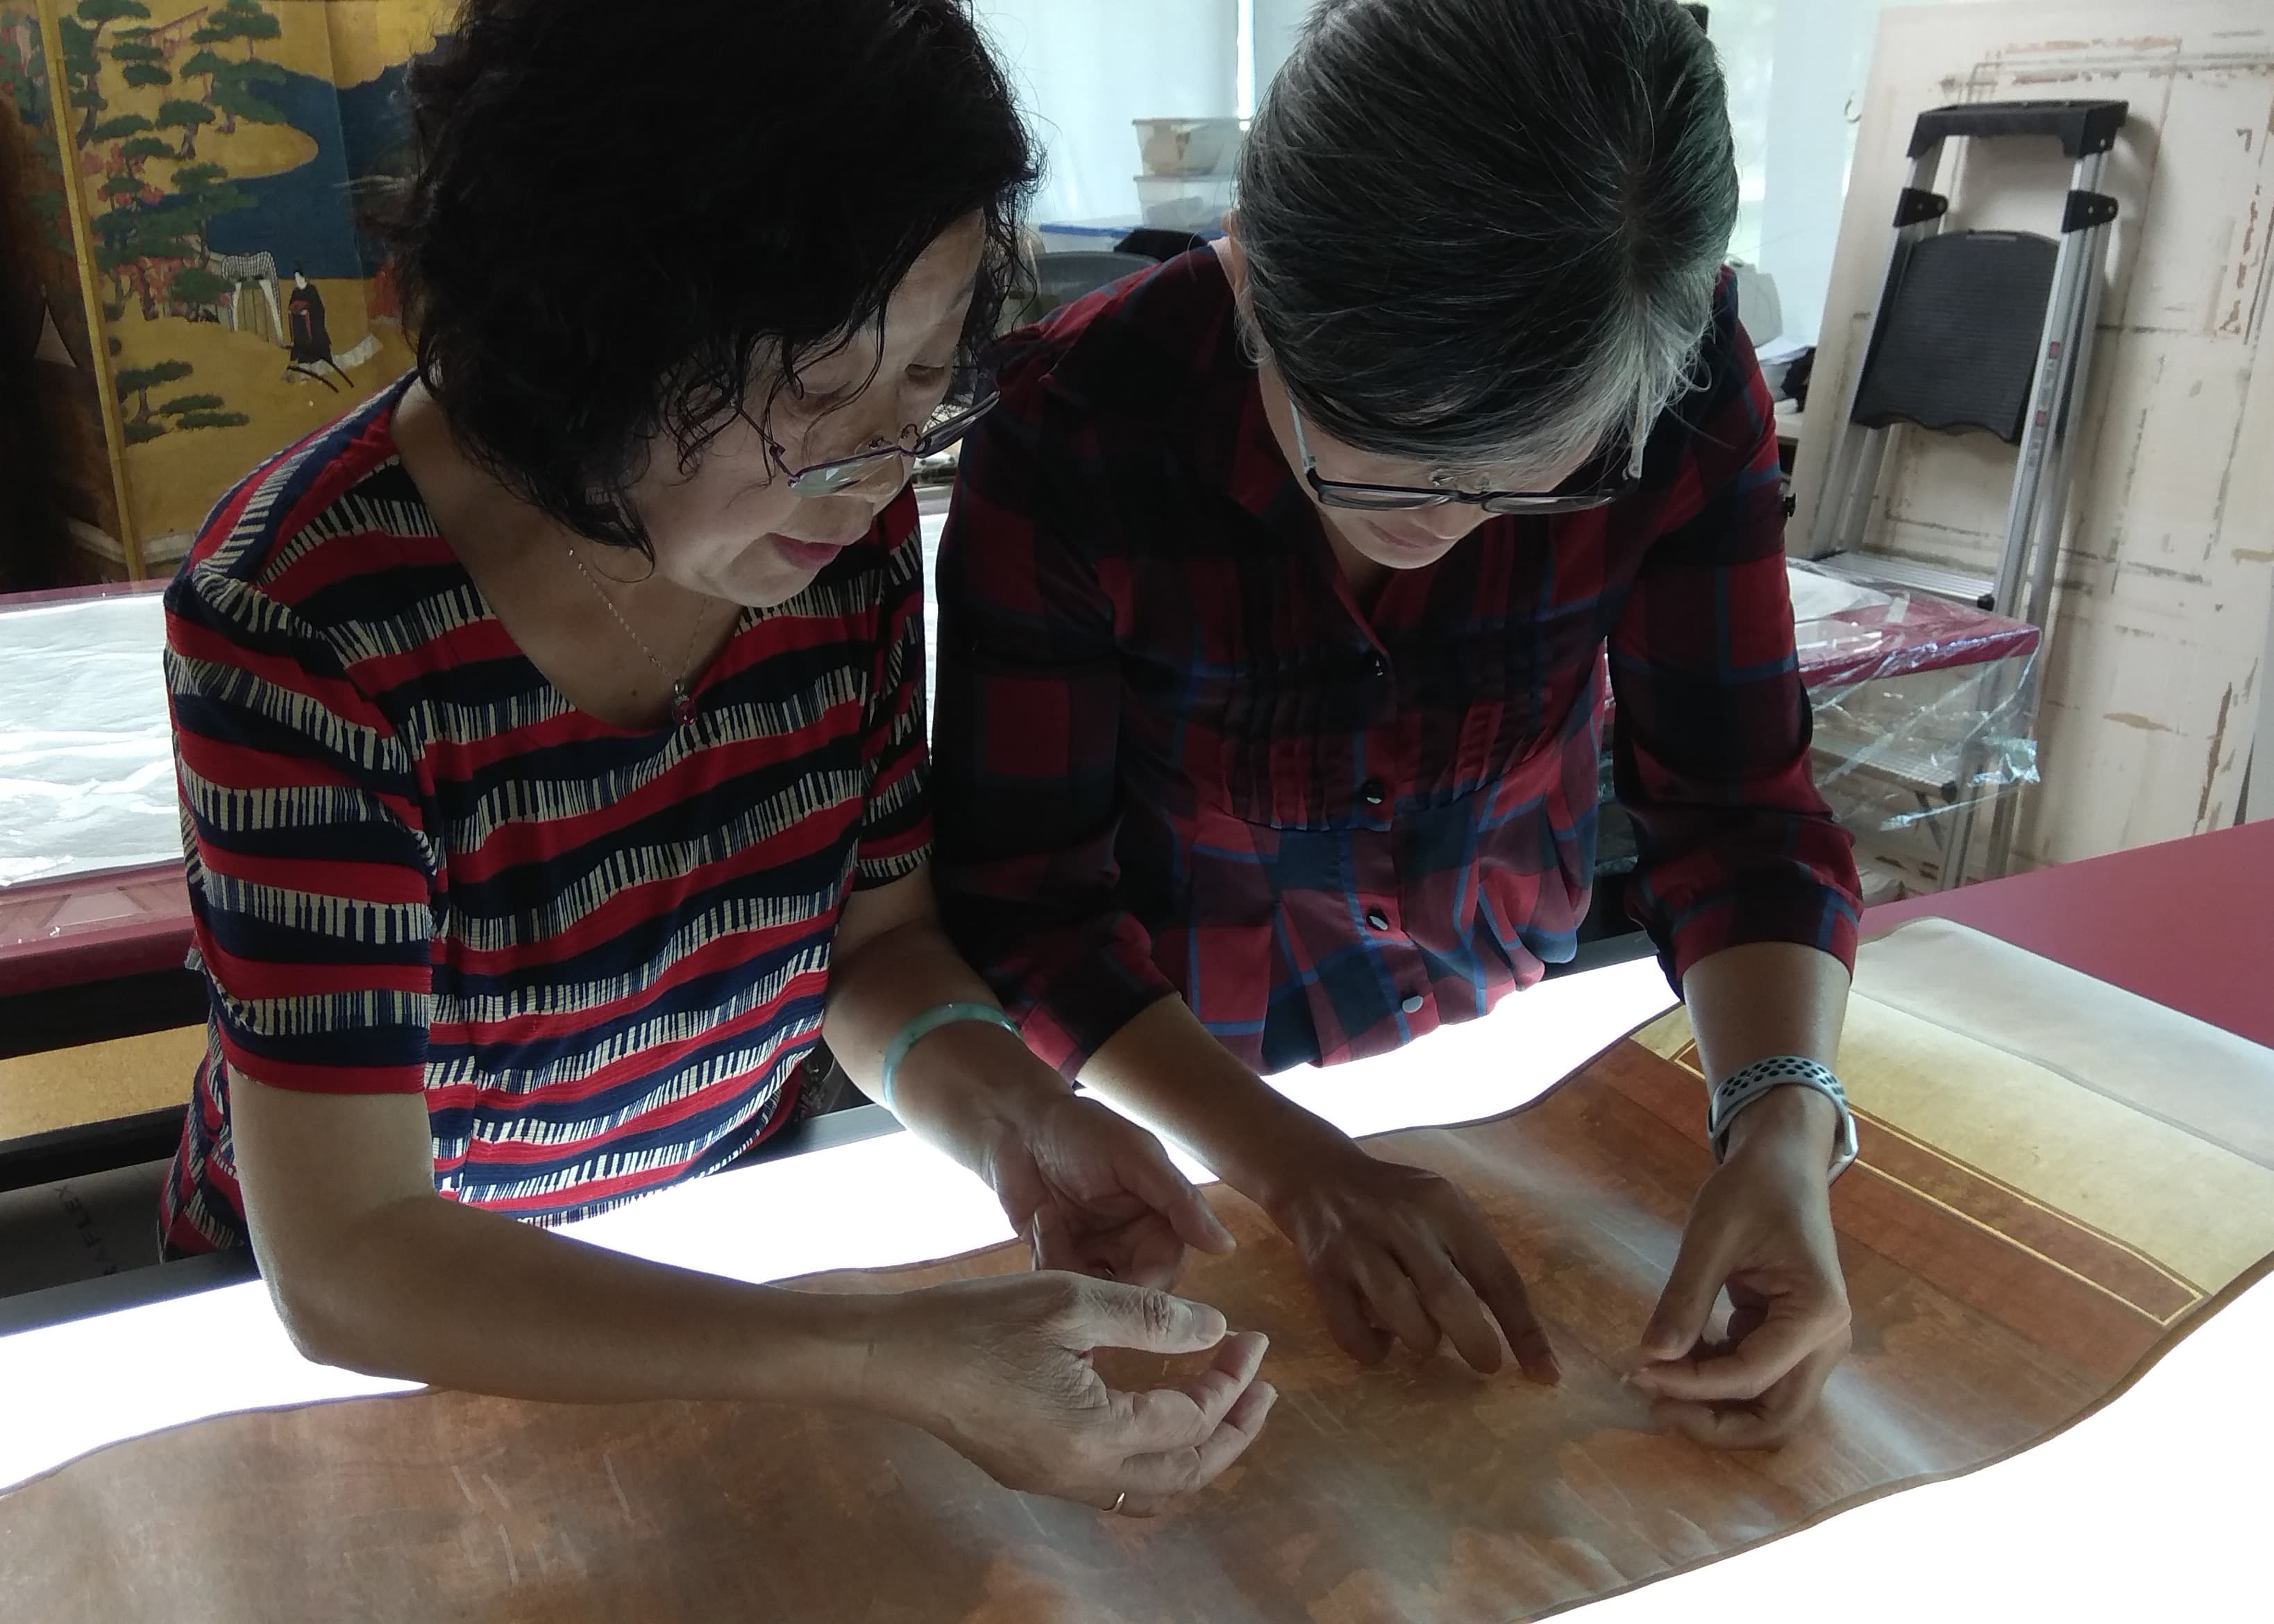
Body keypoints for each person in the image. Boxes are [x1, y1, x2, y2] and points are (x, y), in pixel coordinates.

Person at [160, 0, 1272, 1516]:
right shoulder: (303, 623)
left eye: (921, 389)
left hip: (720, 1250)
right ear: (583, 324)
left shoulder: (833, 530)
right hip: (408, 1339)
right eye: (816, 401)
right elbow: (354, 1261)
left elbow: (870, 944)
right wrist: (881, 1352)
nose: (882, 469)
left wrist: (1022, 1121)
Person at [934, 0, 1863, 1449]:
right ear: (1251, 285)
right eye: (1393, 477)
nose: (1456, 528)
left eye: (1528, 489)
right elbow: (1027, 906)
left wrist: (1784, 1119)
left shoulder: (1679, 393)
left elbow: (1736, 807)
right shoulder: (1077, 430)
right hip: (1188, 1050)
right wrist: (1293, 1170)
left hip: (1501, 998)